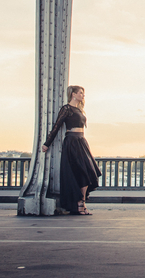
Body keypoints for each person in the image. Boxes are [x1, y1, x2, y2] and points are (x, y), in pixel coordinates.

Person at [41, 85, 102, 215]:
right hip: (72, 142)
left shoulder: (80, 110)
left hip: (82, 141)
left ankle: (82, 202)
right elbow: (56, 126)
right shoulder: (66, 109)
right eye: (80, 93)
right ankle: (80, 204)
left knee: (90, 171)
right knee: (81, 172)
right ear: (73, 94)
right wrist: (47, 143)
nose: (83, 95)